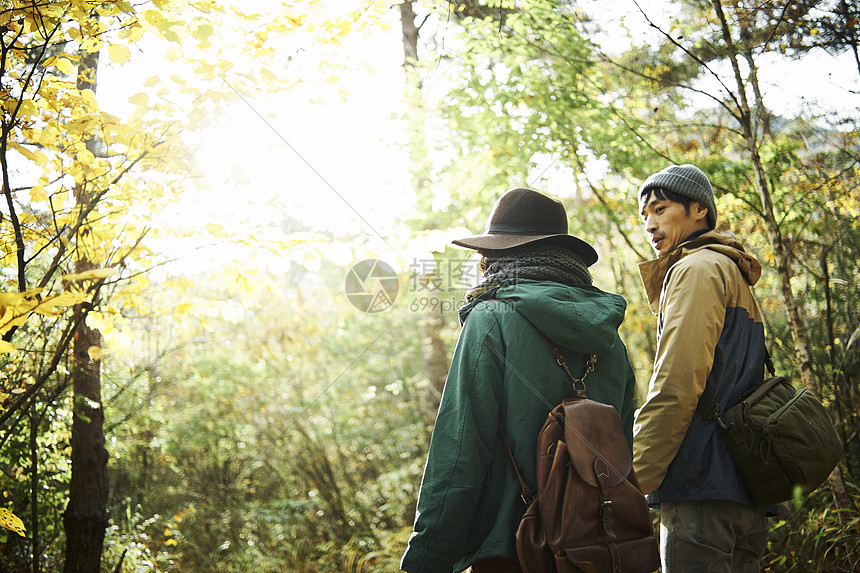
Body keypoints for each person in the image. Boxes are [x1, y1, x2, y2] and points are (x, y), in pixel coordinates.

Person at [400, 187, 638, 573]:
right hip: (596, 550)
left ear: (498, 255)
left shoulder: (489, 318)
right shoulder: (612, 337)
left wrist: (426, 561)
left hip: (512, 549)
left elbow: (459, 453)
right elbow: (621, 455)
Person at [632, 164, 770, 572]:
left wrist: (634, 479)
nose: (650, 224)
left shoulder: (696, 270)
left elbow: (676, 385)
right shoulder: (732, 271)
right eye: (645, 217)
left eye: (660, 209)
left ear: (699, 210)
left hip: (700, 490)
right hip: (746, 488)